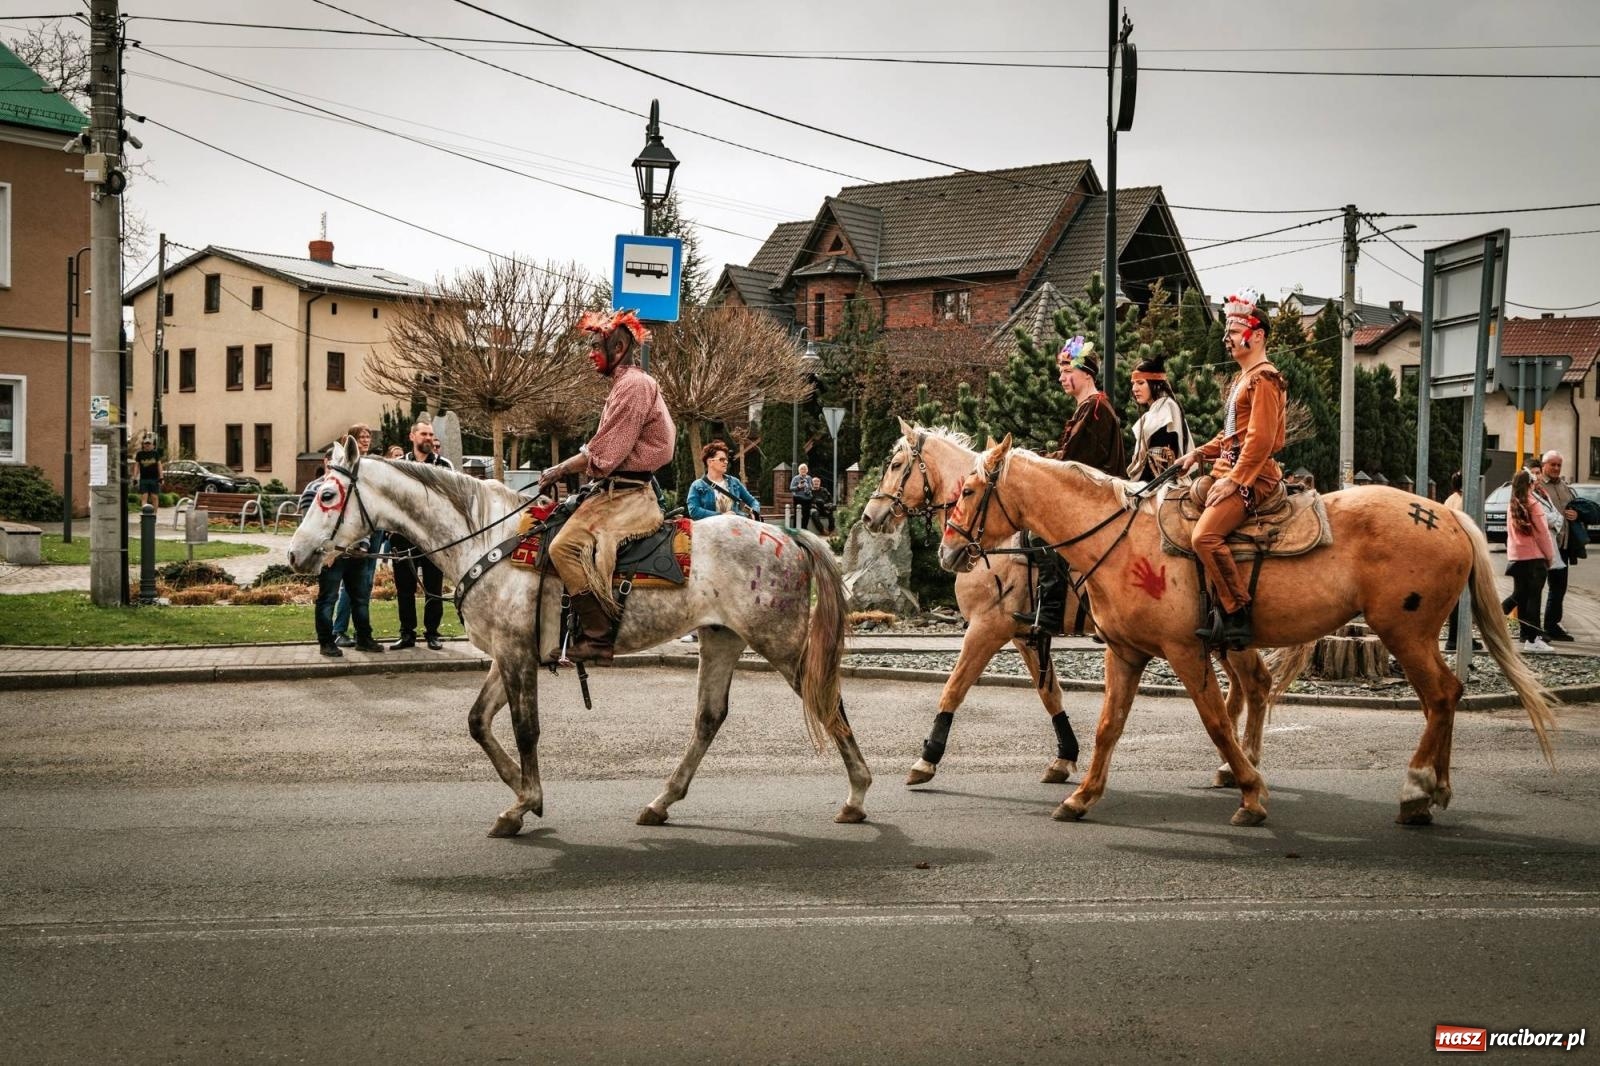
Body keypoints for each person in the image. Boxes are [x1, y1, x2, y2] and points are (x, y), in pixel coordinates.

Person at [538, 309, 676, 662]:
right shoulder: (627, 383)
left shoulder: (633, 385)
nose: (589, 353)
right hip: (616, 489)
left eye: (595, 345)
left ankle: (598, 637)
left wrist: (558, 470)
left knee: (563, 548)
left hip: (629, 495)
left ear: (618, 346)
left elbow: (606, 451)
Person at [1179, 288, 1287, 650]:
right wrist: (1198, 454)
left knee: (1204, 537)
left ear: (1257, 336)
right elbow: (1232, 435)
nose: (1226, 338)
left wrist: (1236, 480)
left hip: (1254, 476)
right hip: (1230, 468)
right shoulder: (1245, 378)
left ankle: (1237, 614)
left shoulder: (1264, 378)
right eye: (1225, 331)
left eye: (1234, 330)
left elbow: (1260, 439)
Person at [1018, 336, 1125, 634]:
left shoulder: (1095, 409)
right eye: (1061, 372)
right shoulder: (1089, 407)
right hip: (1089, 492)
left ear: (1086, 374)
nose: (1061, 377)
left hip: (1096, 498)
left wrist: (1034, 462)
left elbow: (1072, 462)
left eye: (1068, 372)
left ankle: (1051, 611)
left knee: (1043, 534)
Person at [301, 449, 386, 658]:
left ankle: (364, 639)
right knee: (328, 599)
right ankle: (326, 642)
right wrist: (325, 552)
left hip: (355, 554)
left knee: (360, 599)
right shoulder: (315, 488)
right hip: (331, 556)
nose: (333, 467)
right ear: (325, 462)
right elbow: (311, 525)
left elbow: (361, 521)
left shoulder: (349, 487)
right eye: (330, 463)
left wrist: (364, 545)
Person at [389, 420, 453, 651]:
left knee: (434, 587)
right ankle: (407, 634)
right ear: (412, 437)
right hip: (403, 536)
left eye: (431, 434)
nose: (428, 438)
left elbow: (450, 501)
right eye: (423, 434)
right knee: (404, 589)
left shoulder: (444, 465)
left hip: (434, 538)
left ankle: (433, 633)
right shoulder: (398, 465)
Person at [331, 423, 385, 648]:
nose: (366, 440)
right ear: (352, 440)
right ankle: (339, 629)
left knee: (366, 583)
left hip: (375, 529)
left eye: (368, 437)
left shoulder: (370, 463)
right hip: (359, 532)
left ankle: (360, 631)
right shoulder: (350, 464)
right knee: (353, 584)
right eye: (361, 437)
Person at [1504, 469, 1557, 653]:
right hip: (1535, 559)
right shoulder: (1533, 504)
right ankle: (1533, 639)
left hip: (1516, 559)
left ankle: (1526, 636)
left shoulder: (1512, 505)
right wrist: (1549, 557)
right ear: (1530, 484)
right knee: (1533, 599)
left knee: (1521, 597)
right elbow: (1542, 534)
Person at [1126, 353, 1193, 482]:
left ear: (1155, 384)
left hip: (1163, 483)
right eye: (1133, 384)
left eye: (1140, 383)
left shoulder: (1166, 409)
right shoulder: (1155, 411)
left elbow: (1161, 458)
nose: (1134, 389)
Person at [1538, 450, 1579, 642]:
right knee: (1534, 588)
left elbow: (1574, 509)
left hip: (1562, 545)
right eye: (1552, 464)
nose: (1555, 468)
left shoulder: (1564, 487)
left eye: (1558, 465)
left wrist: (1575, 515)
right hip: (1541, 545)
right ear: (1543, 465)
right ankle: (1530, 630)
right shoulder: (1537, 486)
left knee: (1558, 587)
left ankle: (1552, 626)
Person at [686, 440, 761, 520]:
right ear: (710, 462)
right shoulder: (697, 486)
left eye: (726, 459)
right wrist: (721, 515)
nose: (726, 462)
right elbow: (694, 511)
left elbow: (753, 502)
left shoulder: (734, 483)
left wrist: (754, 512)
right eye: (721, 459)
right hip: (710, 530)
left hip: (734, 529)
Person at [132, 434, 162, 508]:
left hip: (154, 479)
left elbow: (159, 465)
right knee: (144, 497)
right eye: (146, 444)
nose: (147, 445)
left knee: (154, 497)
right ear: (143, 445)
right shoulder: (140, 454)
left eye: (149, 444)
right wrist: (135, 477)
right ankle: (144, 514)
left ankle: (154, 515)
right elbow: (136, 466)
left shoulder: (155, 453)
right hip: (144, 479)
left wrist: (161, 477)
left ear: (152, 445)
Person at [790, 463, 814, 531]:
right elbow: (791, 488)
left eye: (805, 469)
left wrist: (810, 488)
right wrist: (798, 487)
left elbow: (811, 486)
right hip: (798, 498)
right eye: (802, 469)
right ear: (799, 470)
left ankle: (804, 529)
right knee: (797, 514)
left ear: (807, 470)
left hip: (808, 498)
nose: (803, 470)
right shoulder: (796, 478)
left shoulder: (809, 478)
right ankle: (796, 529)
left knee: (806, 515)